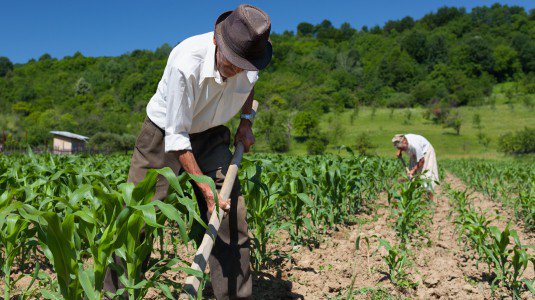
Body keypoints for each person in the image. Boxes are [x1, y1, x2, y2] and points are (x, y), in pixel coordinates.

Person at [103, 4, 272, 299]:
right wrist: (205, 190)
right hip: (164, 135)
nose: (235, 71)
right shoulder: (186, 61)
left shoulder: (250, 60)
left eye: (242, 66)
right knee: (136, 219)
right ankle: (114, 295)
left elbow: (250, 86)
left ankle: (235, 296)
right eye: (231, 62)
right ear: (217, 42)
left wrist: (245, 122)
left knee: (232, 217)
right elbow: (177, 137)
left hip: (211, 134)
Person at [392, 134, 439, 200]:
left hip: (426, 152)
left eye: (402, 148)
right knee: (411, 177)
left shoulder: (415, 145)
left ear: (405, 142)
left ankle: (429, 201)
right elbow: (399, 144)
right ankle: (414, 198)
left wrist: (413, 170)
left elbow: (422, 160)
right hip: (414, 153)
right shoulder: (402, 139)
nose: (402, 149)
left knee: (425, 176)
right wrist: (399, 150)